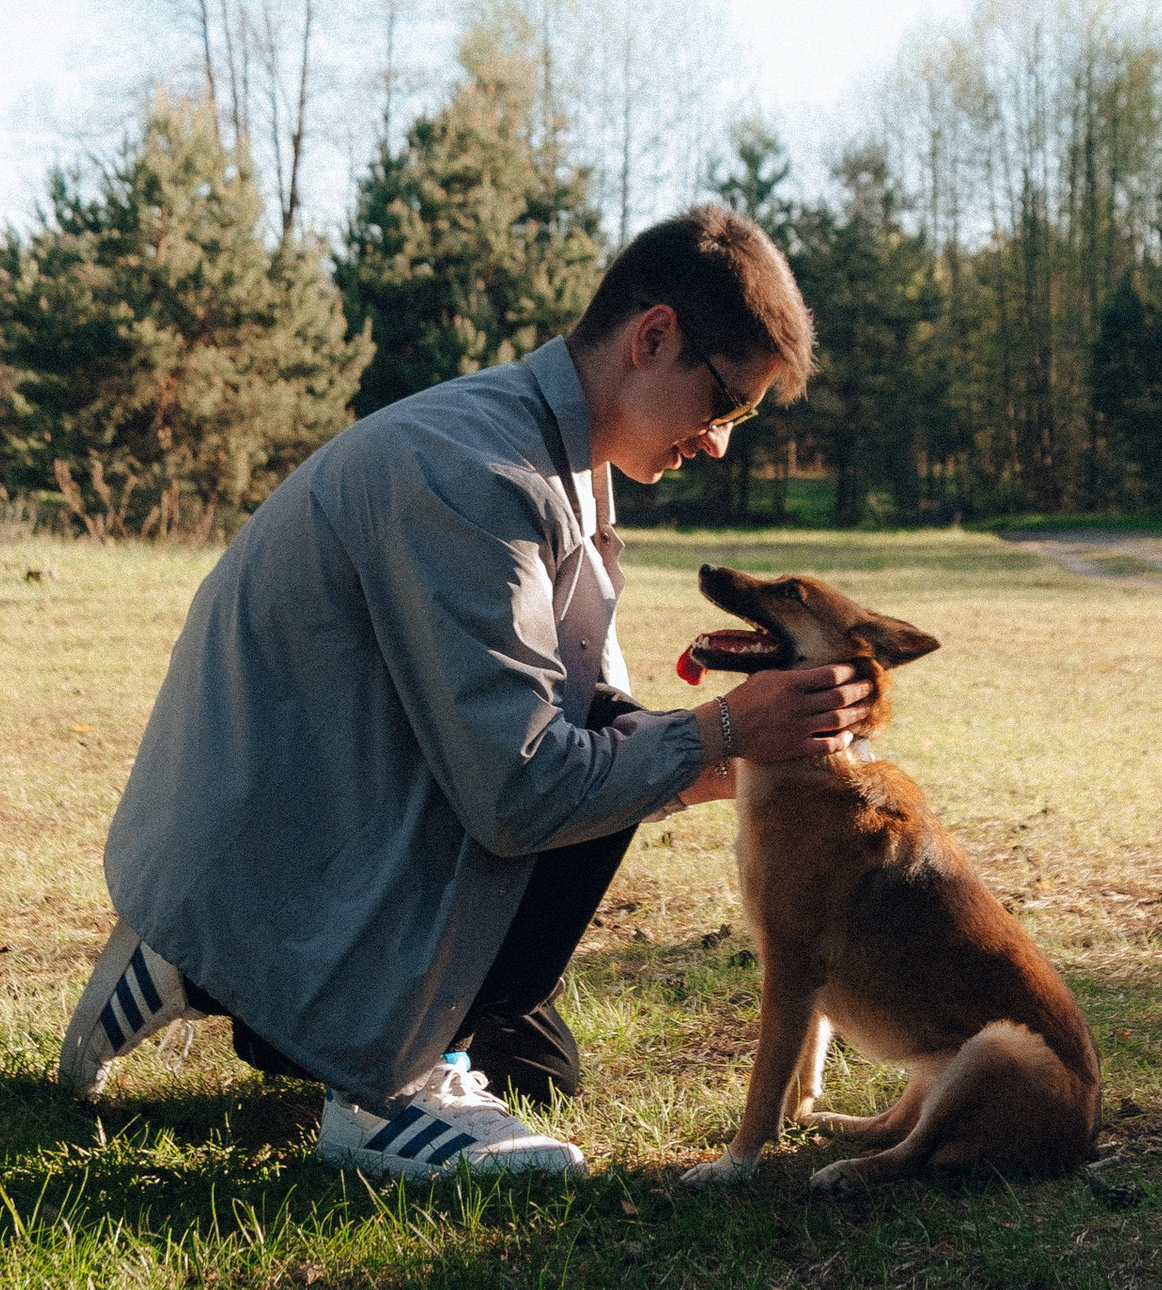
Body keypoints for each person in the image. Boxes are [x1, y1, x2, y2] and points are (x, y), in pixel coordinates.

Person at [56, 204, 870, 1182]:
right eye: (726, 402)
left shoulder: (555, 456)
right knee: (608, 752)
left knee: (541, 1065)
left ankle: (201, 959)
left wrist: (735, 754)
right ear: (653, 337)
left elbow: (576, 731)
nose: (720, 442)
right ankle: (379, 1089)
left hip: (319, 824)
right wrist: (720, 729)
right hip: (281, 837)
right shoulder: (477, 470)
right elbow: (521, 782)